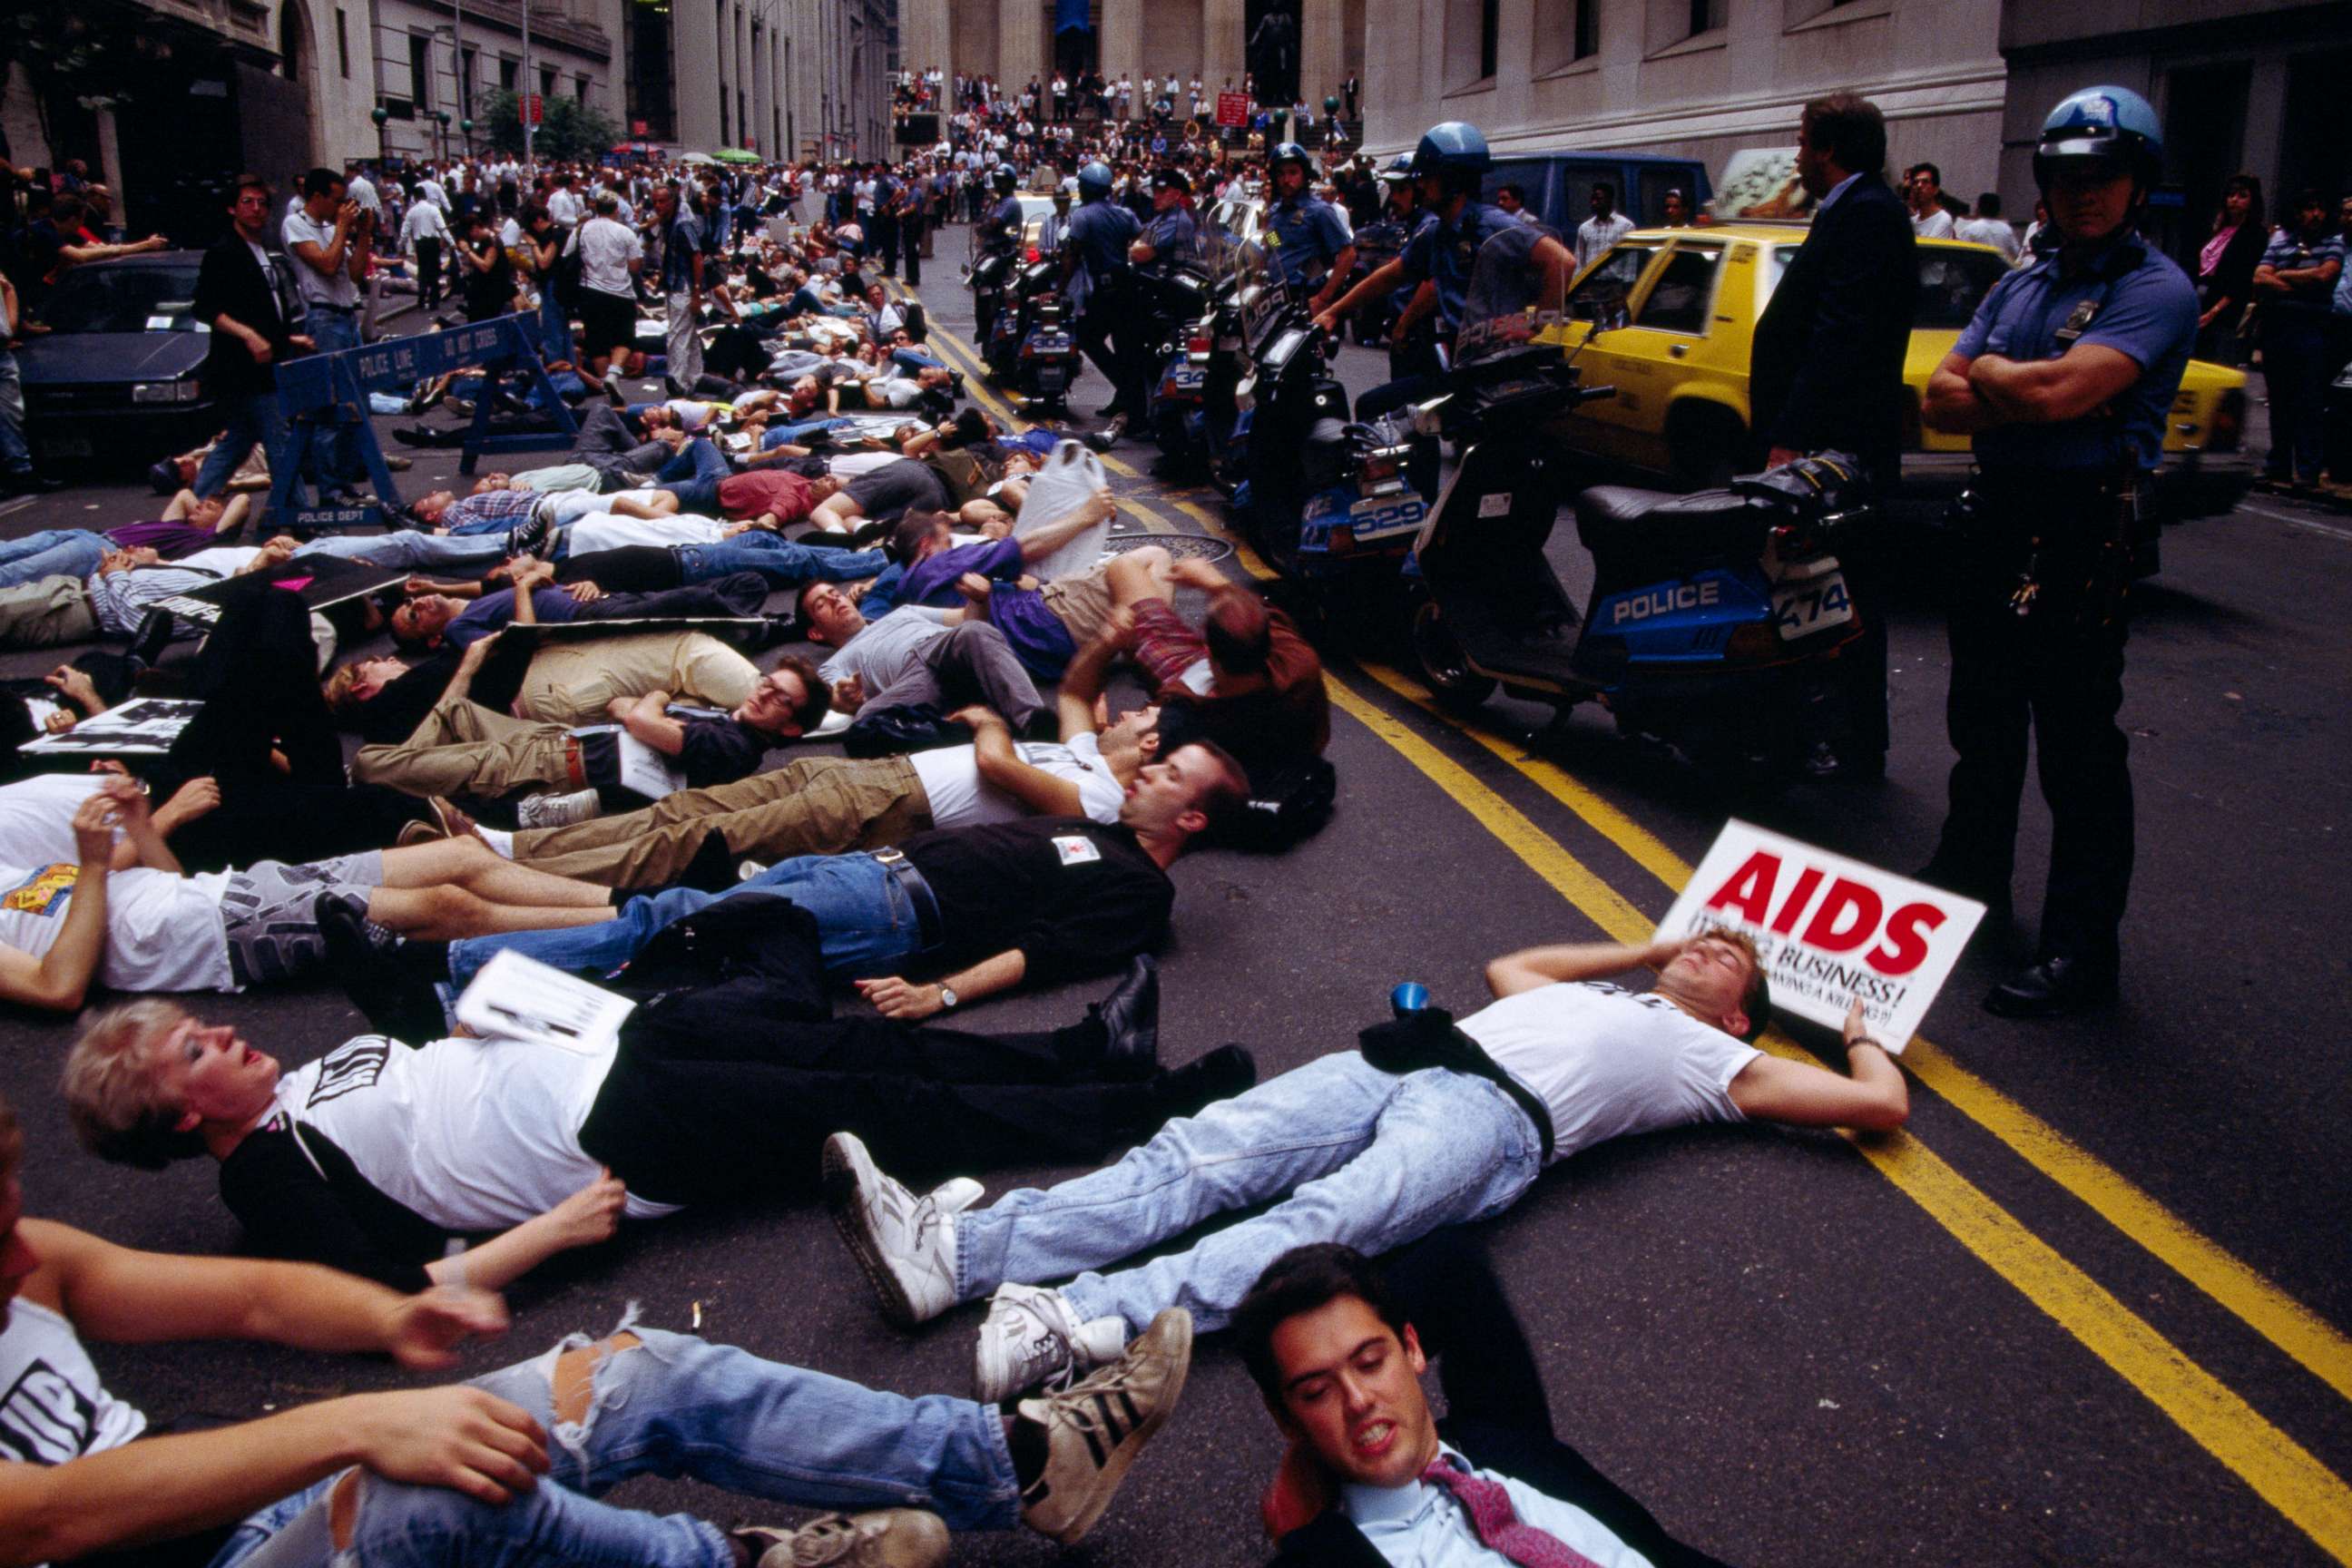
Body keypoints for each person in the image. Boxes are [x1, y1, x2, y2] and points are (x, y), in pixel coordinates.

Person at [0, 1086, 1197, 1562]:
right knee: (434, 1485)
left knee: (633, 1372)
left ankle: (1021, 1464)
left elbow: (257, 1297)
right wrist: (363, 1423)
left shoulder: (27, 1254)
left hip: (244, 1512)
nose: (18, 1238)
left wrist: (398, 1312)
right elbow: (46, 1515)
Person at [829, 927, 1909, 1401]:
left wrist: (1866, 1029)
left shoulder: (1723, 1061)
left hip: (1494, 1123)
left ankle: (1084, 1325)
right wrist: (1646, 946)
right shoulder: (1605, 991)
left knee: (1321, 1221)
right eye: (1707, 938)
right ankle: (963, 1254)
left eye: (1733, 959)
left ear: (1741, 1010)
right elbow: (1511, 968)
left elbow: (1877, 1104)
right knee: (1201, 1151)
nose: (1713, 947)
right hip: (1412, 1056)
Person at [1919, 84, 2199, 1017]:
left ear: (2138, 186)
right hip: (1999, 512)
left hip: (2083, 526)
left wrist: (1996, 375)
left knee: (2078, 748)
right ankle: (1971, 885)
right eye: (2070, 175)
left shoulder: (2154, 288)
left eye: (2107, 176)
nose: (2086, 194)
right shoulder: (2022, 280)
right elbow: (1937, 400)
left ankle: (2082, 952)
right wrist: (2018, 383)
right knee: (1982, 719)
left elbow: (2048, 400)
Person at [430, 732, 1252, 1014]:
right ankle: (464, 957)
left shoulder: (1143, 891)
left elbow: (1051, 952)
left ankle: (456, 974)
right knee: (676, 913)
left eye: (1169, 775)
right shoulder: (1098, 829)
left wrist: (943, 993)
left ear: (1191, 820)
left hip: (892, 913)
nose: (1145, 772)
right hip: (866, 871)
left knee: (670, 929)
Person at [500, 619, 1150, 887]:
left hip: (891, 807)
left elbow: (997, 765)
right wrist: (1112, 637)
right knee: (694, 807)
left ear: (1150, 745)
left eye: (1144, 716)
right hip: (865, 775)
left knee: (702, 837)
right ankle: (511, 848)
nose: (1128, 711)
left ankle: (526, 877)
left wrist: (986, 721)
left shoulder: (1100, 795)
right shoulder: (1083, 752)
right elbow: (1074, 691)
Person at [1239, 1237, 1733, 1566]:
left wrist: (1299, 1459)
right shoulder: (1329, 1557)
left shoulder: (1501, 1438)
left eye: (1370, 1362)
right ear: (1285, 1416)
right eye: (1317, 1392)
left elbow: (1452, 1264)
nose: (1358, 1399)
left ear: (1412, 1347)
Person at [0, 772, 613, 1012]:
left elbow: (168, 883)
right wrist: (89, 867)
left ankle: (628, 907)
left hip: (226, 892)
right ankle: (633, 935)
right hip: (214, 938)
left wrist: (138, 825)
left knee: (459, 855)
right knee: (443, 906)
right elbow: (58, 988)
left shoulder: (9, 876)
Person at [351, 631, 828, 818]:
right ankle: (416, 770)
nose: (764, 691)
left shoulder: (733, 745)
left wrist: (657, 697)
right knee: (457, 712)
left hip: (553, 764)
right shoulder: (722, 718)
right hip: (554, 741)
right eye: (767, 681)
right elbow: (628, 713)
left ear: (790, 729)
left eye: (780, 698)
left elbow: (639, 719)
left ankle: (404, 779)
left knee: (370, 763)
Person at [191, 176, 307, 505]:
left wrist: (287, 338)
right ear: (232, 208)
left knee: (239, 440)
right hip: (243, 367)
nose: (256, 209)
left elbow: (262, 308)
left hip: (266, 362)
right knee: (281, 440)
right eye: (248, 202)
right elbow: (205, 307)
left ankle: (197, 504)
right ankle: (298, 515)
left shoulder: (261, 250)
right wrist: (250, 336)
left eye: (262, 203)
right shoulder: (224, 252)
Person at [282, 167, 371, 496]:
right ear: (317, 197)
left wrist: (362, 235)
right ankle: (329, 490)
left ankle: (345, 480)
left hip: (347, 317)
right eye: (337, 200)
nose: (341, 206)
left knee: (355, 404)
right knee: (329, 407)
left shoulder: (332, 228)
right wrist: (343, 228)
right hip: (324, 320)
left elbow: (356, 274)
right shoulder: (295, 224)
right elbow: (328, 264)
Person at [2249, 188, 2344, 490]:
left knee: (2309, 400)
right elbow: (2260, 276)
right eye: (2309, 208)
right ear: (2297, 212)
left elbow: (2324, 276)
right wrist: (2298, 282)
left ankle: (2308, 470)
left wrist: (2285, 275)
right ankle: (2278, 465)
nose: (2315, 215)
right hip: (2280, 326)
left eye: (2320, 209)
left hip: (2313, 327)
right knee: (2280, 399)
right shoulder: (2282, 241)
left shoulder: (2332, 244)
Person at [1065, 162, 1143, 434]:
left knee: (1087, 336)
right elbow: (1141, 239)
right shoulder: (1125, 214)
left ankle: (1128, 395)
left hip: (1105, 287)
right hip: (1124, 286)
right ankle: (1124, 397)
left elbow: (1072, 255)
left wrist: (1060, 287)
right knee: (1122, 345)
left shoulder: (1082, 216)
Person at [1262, 142, 1355, 317]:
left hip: (1305, 300)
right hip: (1274, 301)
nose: (1286, 180)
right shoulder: (1274, 213)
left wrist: (1323, 298)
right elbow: (1275, 249)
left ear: (1304, 175)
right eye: (1280, 174)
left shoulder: (1319, 211)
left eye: (1293, 172)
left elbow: (1348, 254)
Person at [2192, 174, 2265, 364]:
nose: (2234, 200)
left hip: (2227, 304)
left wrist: (2215, 310)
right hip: (2202, 293)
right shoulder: (2220, 229)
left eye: (2242, 196)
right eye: (2231, 195)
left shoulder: (2255, 233)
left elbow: (2242, 278)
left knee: (2219, 356)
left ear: (2252, 201)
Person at [653, 184, 707, 392]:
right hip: (673, 285)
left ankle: (677, 380)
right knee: (689, 334)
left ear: (672, 202)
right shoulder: (667, 223)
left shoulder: (683, 225)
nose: (658, 206)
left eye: (662, 201)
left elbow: (697, 257)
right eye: (655, 201)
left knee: (677, 335)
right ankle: (694, 377)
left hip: (683, 287)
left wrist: (696, 292)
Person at [398, 183, 452, 312]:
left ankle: (421, 298)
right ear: (425, 196)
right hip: (433, 242)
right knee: (434, 271)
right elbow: (442, 227)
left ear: (415, 198)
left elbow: (405, 231)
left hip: (420, 243)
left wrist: (401, 246)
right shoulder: (434, 209)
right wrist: (451, 241)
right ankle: (434, 302)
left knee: (422, 270)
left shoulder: (412, 212)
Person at [1572, 181, 1632, 272]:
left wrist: (1628, 282)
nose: (1594, 203)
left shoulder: (1626, 226)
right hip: (1591, 283)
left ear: (1609, 199)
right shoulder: (1585, 228)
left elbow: (1630, 259)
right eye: (1592, 199)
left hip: (1616, 283)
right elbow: (1579, 259)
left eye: (1599, 199)